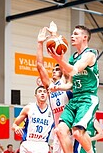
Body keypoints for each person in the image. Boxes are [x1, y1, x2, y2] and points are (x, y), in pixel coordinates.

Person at [48, 23, 99, 153]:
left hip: (88, 98)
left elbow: (74, 71)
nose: (72, 36)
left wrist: (59, 60)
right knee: (60, 130)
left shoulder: (90, 54)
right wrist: (57, 88)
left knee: (77, 133)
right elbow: (70, 83)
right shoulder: (72, 58)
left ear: (85, 38)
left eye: (76, 34)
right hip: (75, 99)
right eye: (72, 33)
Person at [37, 22, 73, 153]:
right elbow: (40, 66)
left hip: (70, 128)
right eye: (54, 69)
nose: (55, 70)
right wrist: (40, 44)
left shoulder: (66, 82)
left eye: (57, 69)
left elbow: (61, 57)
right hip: (57, 129)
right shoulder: (50, 86)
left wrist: (54, 35)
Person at [12, 86, 55, 153]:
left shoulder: (52, 111)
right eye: (40, 92)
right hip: (28, 143)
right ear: (35, 95)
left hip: (42, 144)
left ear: (48, 94)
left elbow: (57, 128)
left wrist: (55, 141)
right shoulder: (29, 108)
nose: (42, 93)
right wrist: (16, 127)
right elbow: (14, 125)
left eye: (45, 92)